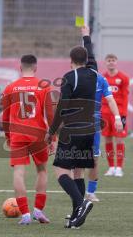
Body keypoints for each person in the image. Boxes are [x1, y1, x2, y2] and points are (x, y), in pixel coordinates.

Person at [45, 26, 99, 229]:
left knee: (61, 172)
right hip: (89, 128)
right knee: (78, 172)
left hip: (73, 129)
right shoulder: (93, 72)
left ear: (70, 60)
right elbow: (91, 53)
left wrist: (51, 132)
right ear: (86, 60)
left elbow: (62, 106)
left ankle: (82, 203)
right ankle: (77, 215)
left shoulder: (70, 77)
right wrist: (86, 34)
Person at [70, 31, 123, 203]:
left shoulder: (100, 79)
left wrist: (116, 118)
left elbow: (110, 99)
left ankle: (91, 191)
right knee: (78, 160)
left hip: (93, 125)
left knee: (94, 159)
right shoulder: (73, 78)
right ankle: (78, 192)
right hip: (77, 124)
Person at [2, 55, 54, 225]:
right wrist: (52, 137)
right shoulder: (44, 86)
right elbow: (50, 114)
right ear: (36, 68)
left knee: (18, 172)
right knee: (42, 170)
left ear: (20, 67)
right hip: (38, 134)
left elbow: (5, 117)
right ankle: (38, 211)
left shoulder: (10, 88)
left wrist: (8, 136)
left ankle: (24, 215)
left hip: (17, 134)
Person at [102, 54, 129, 177]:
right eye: (109, 60)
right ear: (106, 62)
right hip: (105, 114)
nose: (111, 62)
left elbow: (125, 97)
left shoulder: (123, 78)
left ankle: (119, 168)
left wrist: (122, 115)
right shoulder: (102, 77)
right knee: (107, 140)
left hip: (119, 114)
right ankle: (111, 167)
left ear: (116, 62)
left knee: (119, 140)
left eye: (113, 60)